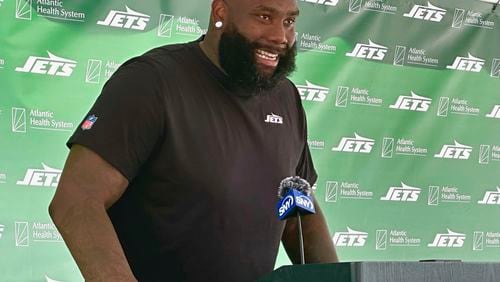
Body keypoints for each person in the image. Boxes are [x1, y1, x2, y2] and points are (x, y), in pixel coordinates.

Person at [49, 0, 338, 281]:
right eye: (264, 17)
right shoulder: (151, 81)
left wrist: (337, 279)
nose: (280, 36)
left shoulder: (285, 97)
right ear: (220, 12)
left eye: (289, 21)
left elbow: (297, 205)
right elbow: (76, 199)